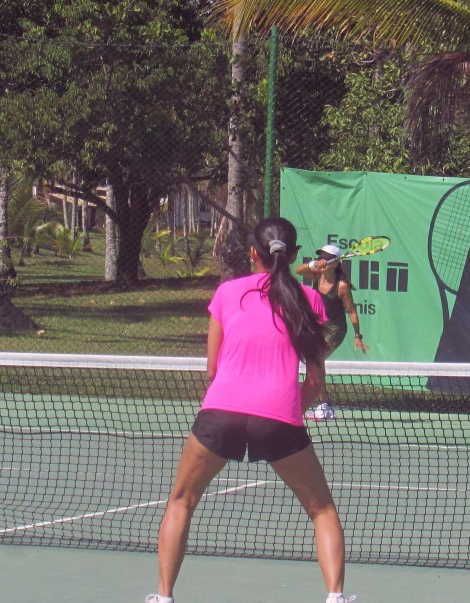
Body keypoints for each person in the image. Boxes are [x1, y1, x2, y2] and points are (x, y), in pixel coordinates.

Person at [147, 217, 353, 603]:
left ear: (252, 253)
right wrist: (289, 410)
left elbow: (212, 369)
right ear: (293, 255)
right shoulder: (309, 300)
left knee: (181, 501)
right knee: (322, 510)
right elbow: (315, 378)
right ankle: (336, 597)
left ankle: (163, 597)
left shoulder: (227, 292)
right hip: (278, 417)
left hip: (220, 412)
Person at [295, 244, 369, 421]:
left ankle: (325, 405)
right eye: (321, 256)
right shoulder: (316, 275)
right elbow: (298, 270)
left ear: (335, 263)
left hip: (335, 330)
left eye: (326, 258)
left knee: (316, 359)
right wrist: (313, 265)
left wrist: (357, 336)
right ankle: (324, 405)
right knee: (315, 362)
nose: (322, 260)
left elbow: (352, 311)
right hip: (318, 327)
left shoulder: (342, 286)